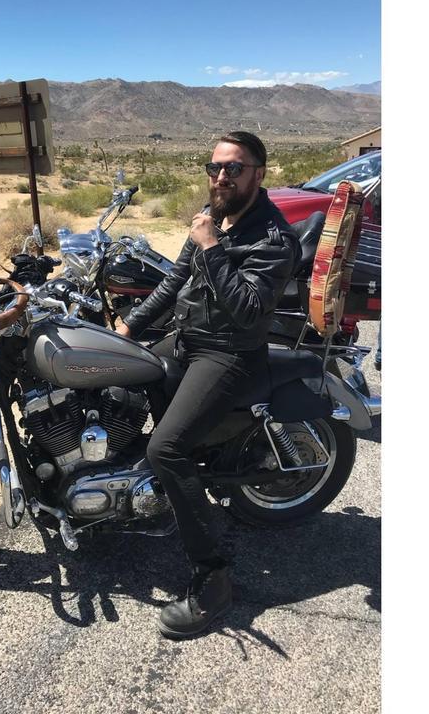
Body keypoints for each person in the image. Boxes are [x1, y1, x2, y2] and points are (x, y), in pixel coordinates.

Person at [115, 131, 300, 639]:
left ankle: (213, 576)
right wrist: (129, 327)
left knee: (167, 448)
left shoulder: (274, 240)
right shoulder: (212, 213)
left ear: (259, 174)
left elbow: (245, 311)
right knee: (113, 383)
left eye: (234, 168)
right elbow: (175, 279)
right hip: (188, 340)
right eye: (214, 166)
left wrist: (212, 246)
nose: (221, 176)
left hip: (229, 354)